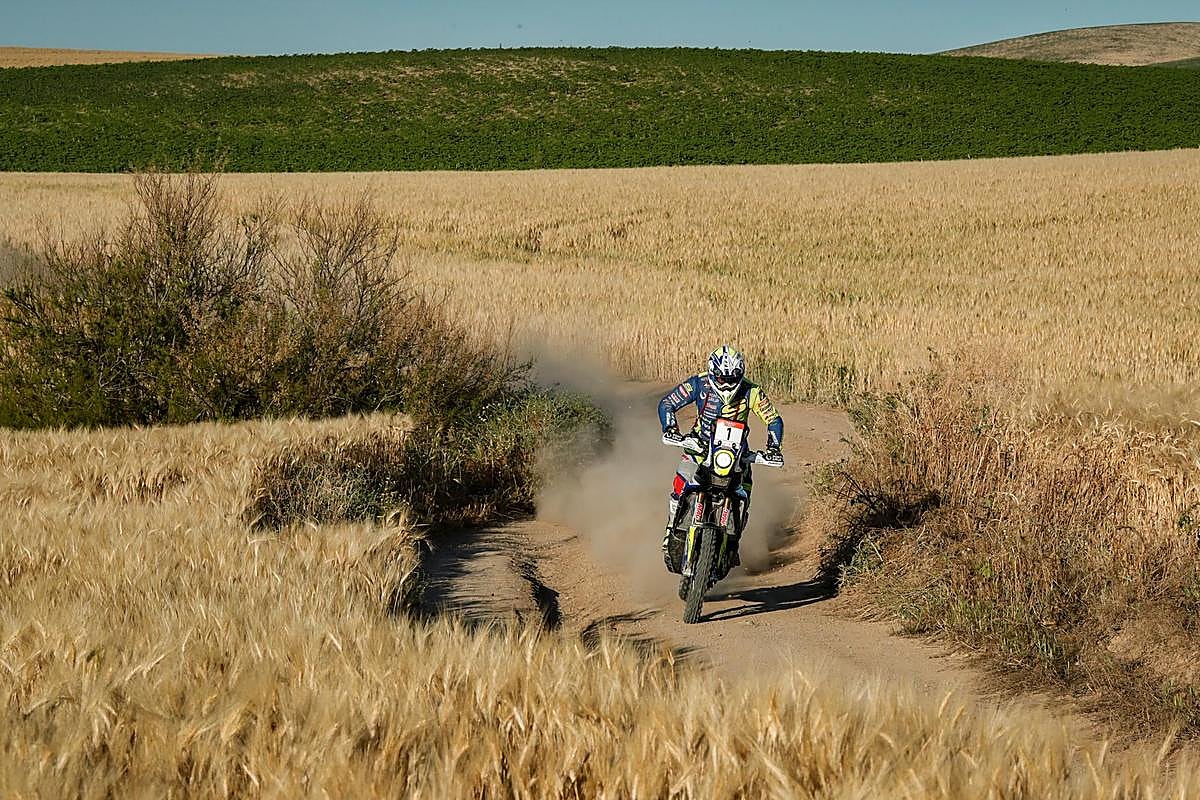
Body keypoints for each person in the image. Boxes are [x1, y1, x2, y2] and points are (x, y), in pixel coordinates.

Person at [658, 345, 784, 573]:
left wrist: (773, 447)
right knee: (680, 485)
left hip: (736, 456)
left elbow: (773, 419)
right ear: (712, 372)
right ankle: (670, 529)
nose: (726, 384)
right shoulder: (698, 383)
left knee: (744, 497)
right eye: (722, 378)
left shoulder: (752, 392)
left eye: (732, 378)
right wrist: (671, 428)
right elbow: (668, 403)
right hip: (699, 447)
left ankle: (732, 546)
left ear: (740, 375)